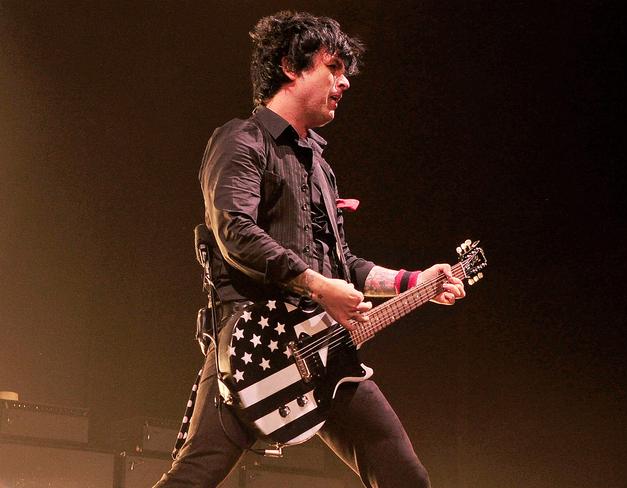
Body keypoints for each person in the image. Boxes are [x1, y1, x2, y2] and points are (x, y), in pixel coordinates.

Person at [154, 11, 465, 488]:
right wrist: (319, 287)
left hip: (325, 349)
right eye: (333, 67)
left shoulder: (319, 165)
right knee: (193, 478)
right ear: (290, 66)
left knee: (406, 478)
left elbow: (343, 264)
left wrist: (414, 281)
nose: (344, 83)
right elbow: (233, 230)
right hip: (255, 346)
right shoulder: (241, 140)